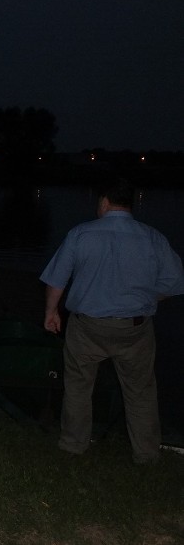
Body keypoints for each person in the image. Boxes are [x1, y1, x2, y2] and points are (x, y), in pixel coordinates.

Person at [40, 177, 184, 464]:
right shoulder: (152, 237)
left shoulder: (81, 234)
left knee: (79, 386)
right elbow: (174, 283)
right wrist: (144, 298)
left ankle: (73, 445)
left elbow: (57, 280)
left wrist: (51, 311)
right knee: (140, 391)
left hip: (87, 326)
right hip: (135, 328)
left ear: (104, 202)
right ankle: (146, 455)